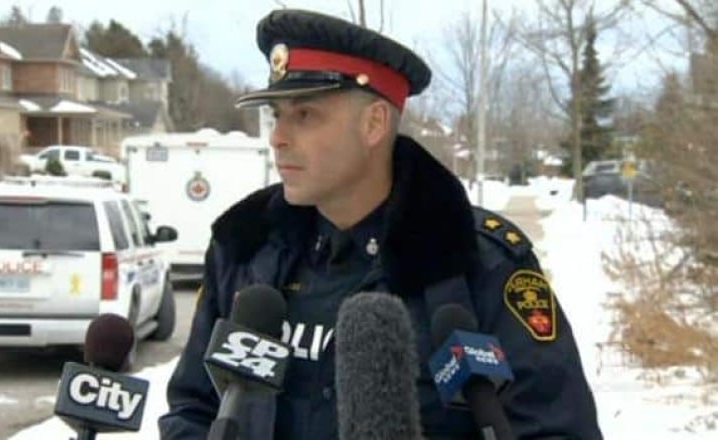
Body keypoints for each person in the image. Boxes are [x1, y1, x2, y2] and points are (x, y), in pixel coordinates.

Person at [159, 8, 602, 440]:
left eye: (305, 115)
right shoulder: (245, 250)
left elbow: (556, 427)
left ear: (374, 124)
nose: (278, 137)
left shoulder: (476, 262)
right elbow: (194, 410)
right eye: (277, 116)